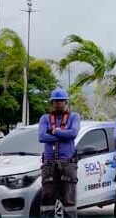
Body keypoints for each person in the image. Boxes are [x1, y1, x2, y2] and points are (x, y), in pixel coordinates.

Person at [38, 88, 81, 218]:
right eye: (56, 101)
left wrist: (54, 131)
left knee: (69, 198)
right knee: (47, 197)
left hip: (67, 164)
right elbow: (42, 137)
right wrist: (64, 135)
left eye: (61, 101)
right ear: (52, 103)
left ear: (66, 102)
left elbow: (73, 133)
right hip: (49, 164)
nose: (58, 103)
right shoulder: (45, 118)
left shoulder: (74, 117)